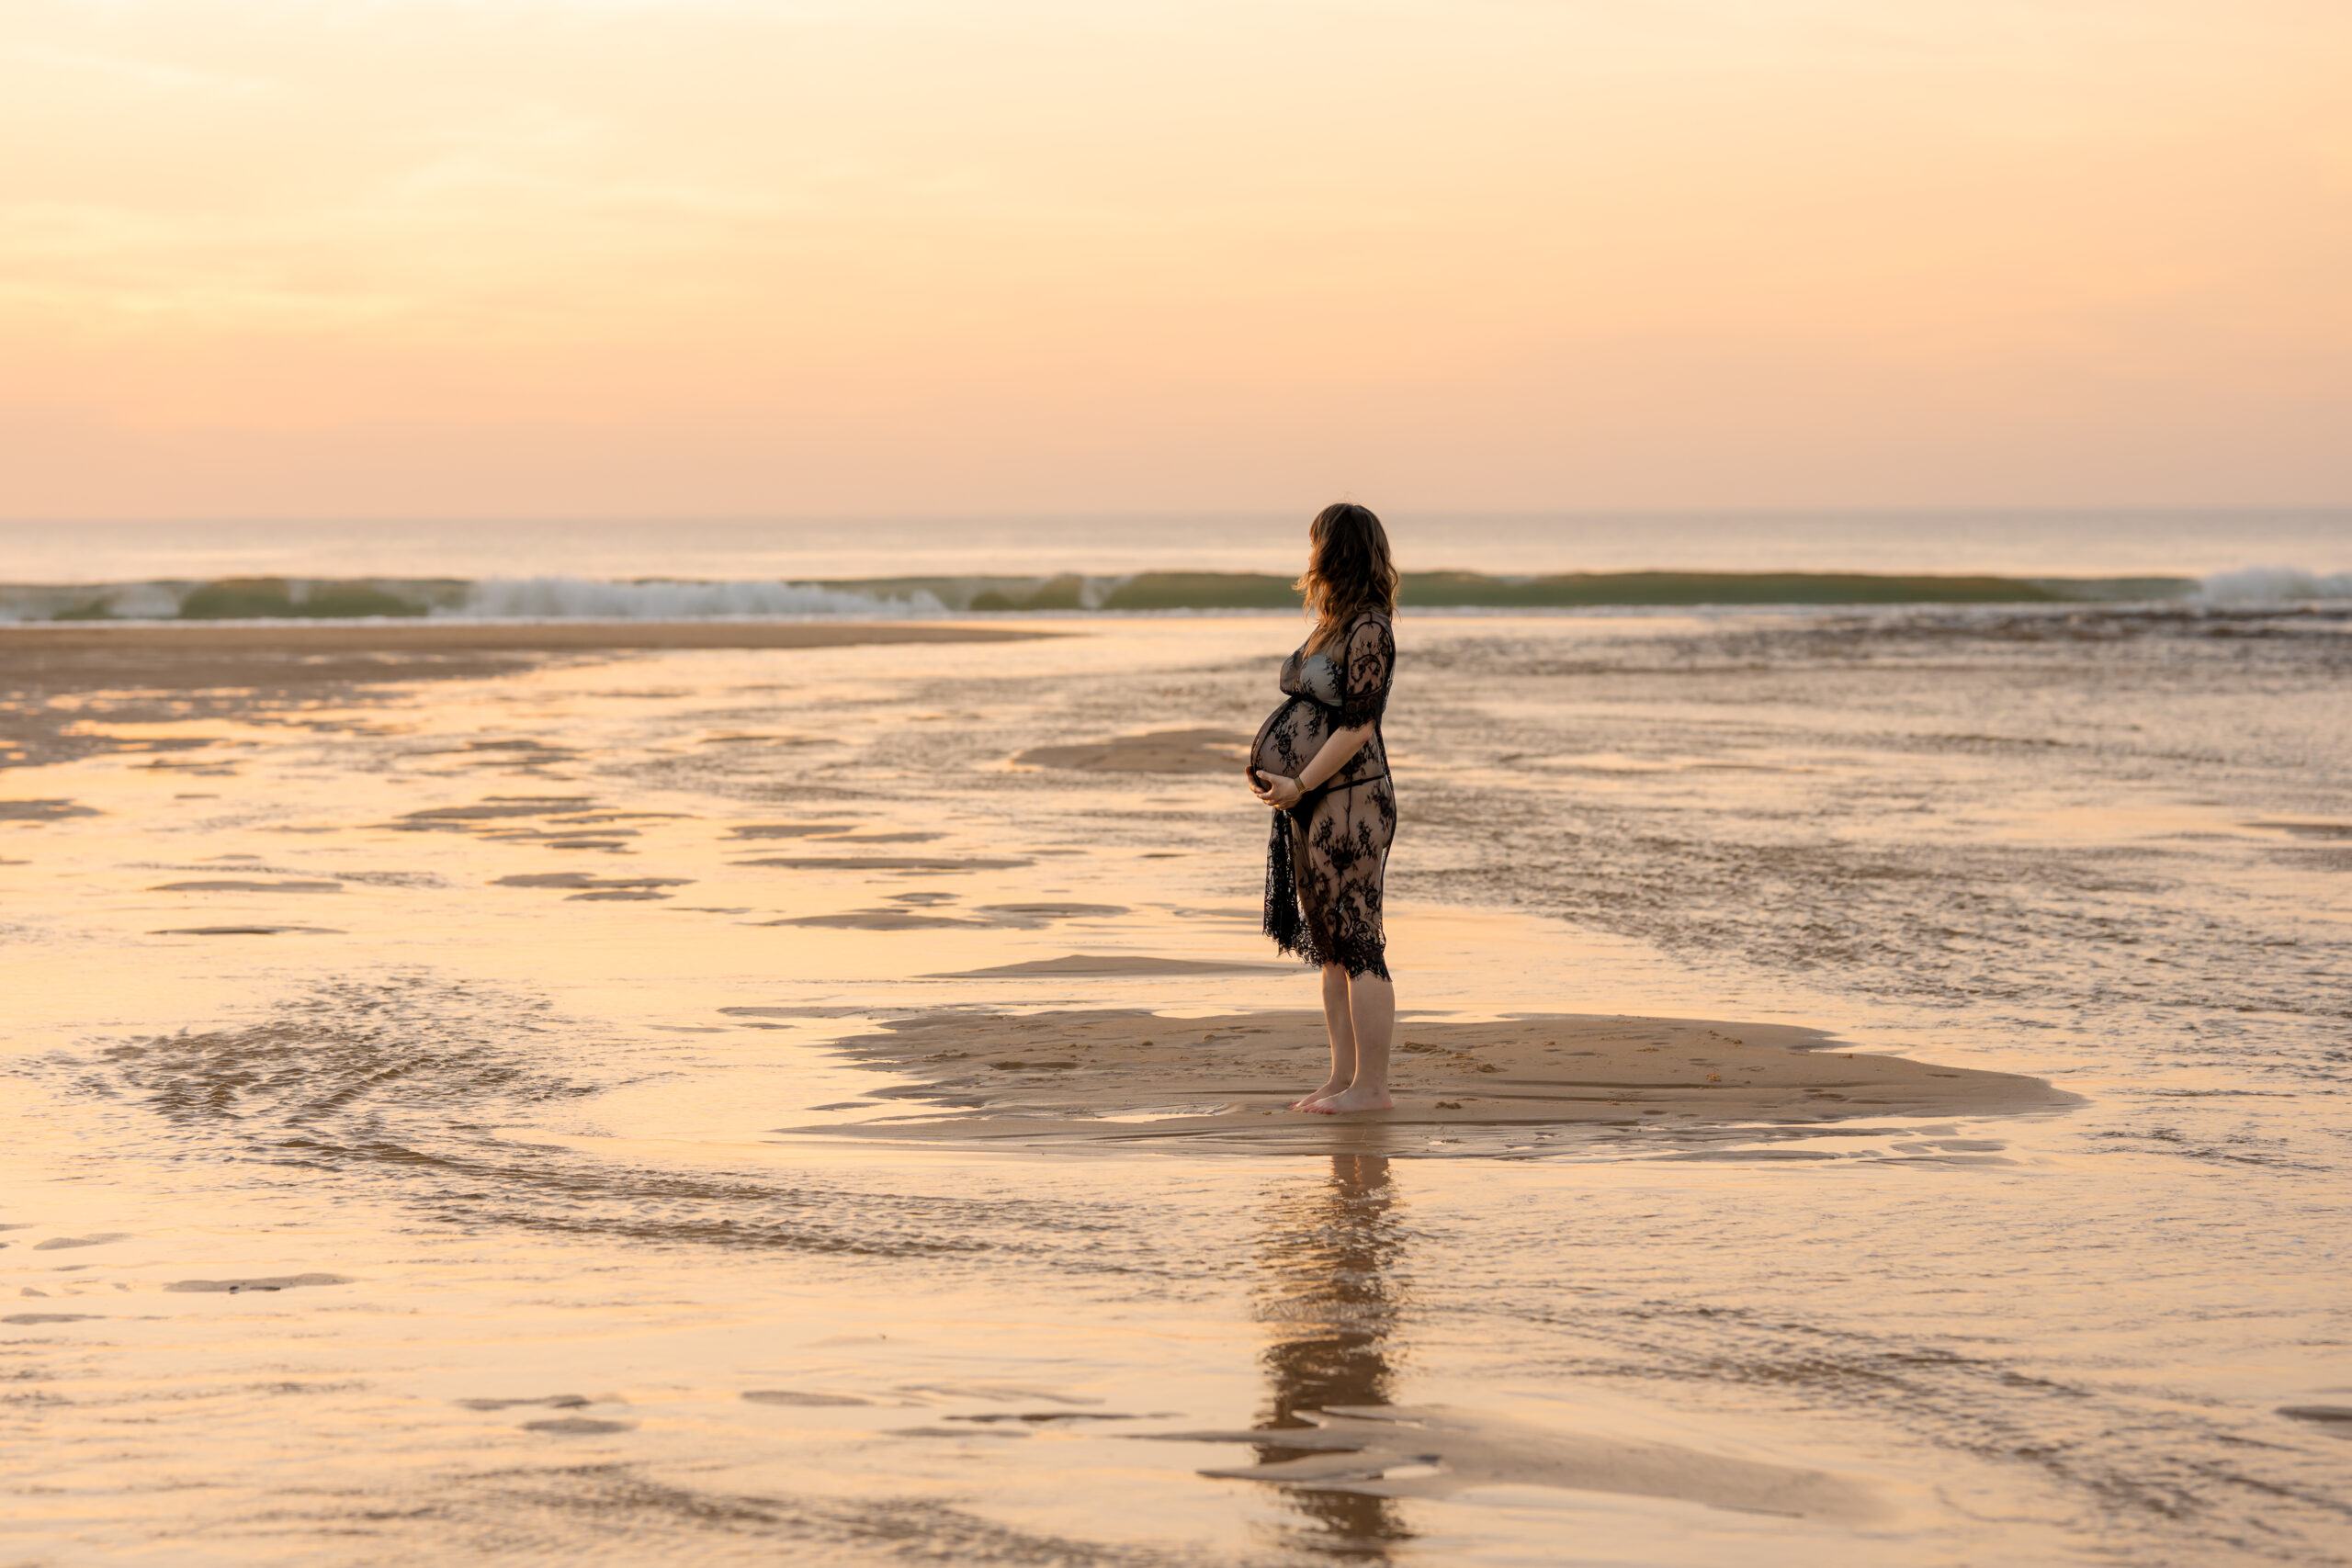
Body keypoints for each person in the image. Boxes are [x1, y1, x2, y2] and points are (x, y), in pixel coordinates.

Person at [1249, 502, 1399, 1114]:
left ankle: (1373, 1086)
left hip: (1351, 800)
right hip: (1313, 804)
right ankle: (1343, 1076)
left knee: (1359, 939)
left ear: (1335, 550)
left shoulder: (1370, 629)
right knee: (1332, 944)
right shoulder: (1332, 624)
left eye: (1316, 543)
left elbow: (1359, 725)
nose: (1308, 555)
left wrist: (1302, 781)